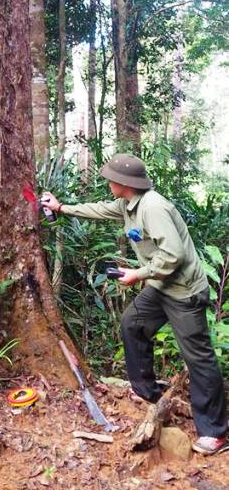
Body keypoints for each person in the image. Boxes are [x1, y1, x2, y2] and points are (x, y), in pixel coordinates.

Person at [42, 153, 227, 456]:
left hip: (183, 292)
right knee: (132, 323)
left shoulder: (153, 208)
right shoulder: (128, 204)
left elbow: (174, 255)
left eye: (111, 179)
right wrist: (60, 208)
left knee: (198, 358)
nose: (108, 183)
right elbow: (99, 209)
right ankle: (148, 391)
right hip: (160, 287)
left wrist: (137, 274)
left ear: (124, 183)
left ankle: (215, 432)